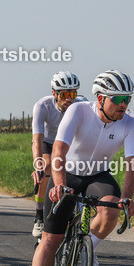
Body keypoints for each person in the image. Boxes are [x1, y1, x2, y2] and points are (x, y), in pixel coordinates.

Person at [25, 70, 134, 266]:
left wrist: (127, 197)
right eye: (118, 98)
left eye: (127, 99)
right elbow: (58, 149)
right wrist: (58, 185)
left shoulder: (130, 122)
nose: (124, 104)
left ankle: (88, 248)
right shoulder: (78, 111)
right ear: (100, 98)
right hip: (68, 174)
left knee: (112, 210)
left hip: (98, 175)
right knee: (50, 239)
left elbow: (133, 164)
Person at [31, 71, 81, 238]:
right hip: (49, 143)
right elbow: (37, 139)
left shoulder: (81, 104)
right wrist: (37, 164)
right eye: (65, 94)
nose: (69, 99)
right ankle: (39, 215)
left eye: (73, 94)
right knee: (46, 167)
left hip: (69, 144)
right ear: (54, 94)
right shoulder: (42, 106)